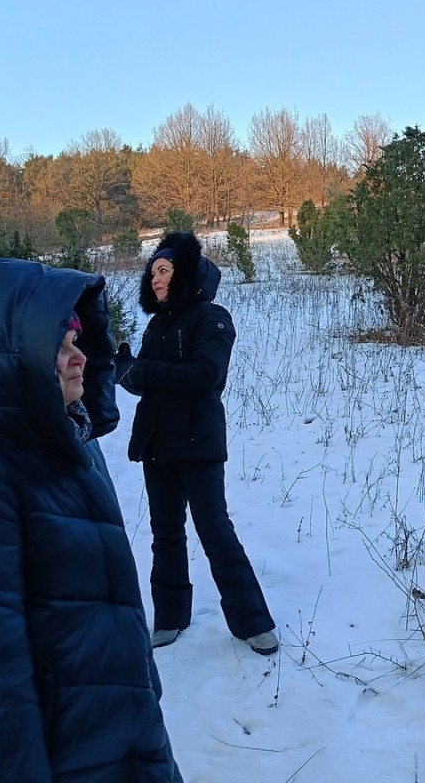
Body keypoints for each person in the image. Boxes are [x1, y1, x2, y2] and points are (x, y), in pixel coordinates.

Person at [0, 258, 182, 782]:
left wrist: (144, 689)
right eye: (58, 346)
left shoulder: (68, 441)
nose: (79, 358)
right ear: (10, 358)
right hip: (58, 756)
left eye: (77, 340)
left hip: (115, 733)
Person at [114, 231, 277, 655]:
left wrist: (144, 371)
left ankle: (253, 623)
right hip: (156, 443)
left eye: (164, 270)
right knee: (165, 534)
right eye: (152, 272)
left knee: (215, 530)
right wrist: (125, 371)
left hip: (196, 441)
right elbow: (147, 382)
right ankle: (170, 617)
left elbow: (208, 375)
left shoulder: (212, 317)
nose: (155, 278)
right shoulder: (157, 324)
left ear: (184, 273)